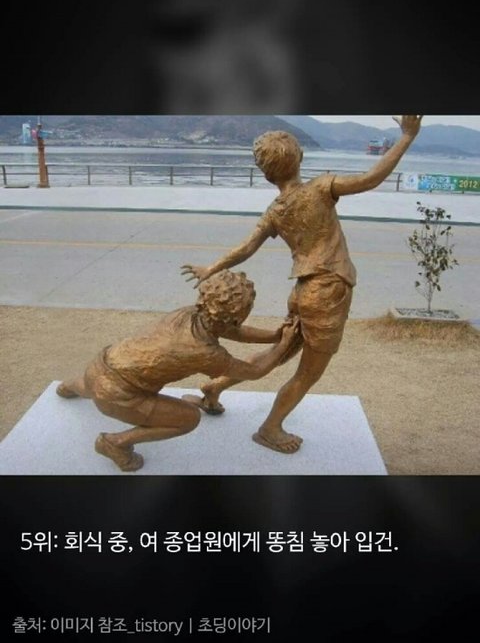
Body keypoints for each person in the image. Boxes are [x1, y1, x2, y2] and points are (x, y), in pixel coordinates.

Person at [182, 115, 423, 454]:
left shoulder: (275, 211)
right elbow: (371, 178)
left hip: (302, 293)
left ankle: (214, 388)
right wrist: (407, 137)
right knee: (308, 373)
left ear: (267, 174)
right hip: (328, 292)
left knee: (279, 351)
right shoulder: (322, 187)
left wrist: (212, 267)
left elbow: (246, 248)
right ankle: (270, 428)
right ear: (300, 158)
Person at [56, 270, 300, 472]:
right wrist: (285, 344)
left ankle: (68, 387)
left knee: (91, 385)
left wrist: (274, 336)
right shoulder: (205, 352)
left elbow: (230, 329)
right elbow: (254, 370)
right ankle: (115, 443)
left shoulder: (190, 313)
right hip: (120, 396)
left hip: (99, 365)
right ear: (237, 315)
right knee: (189, 419)